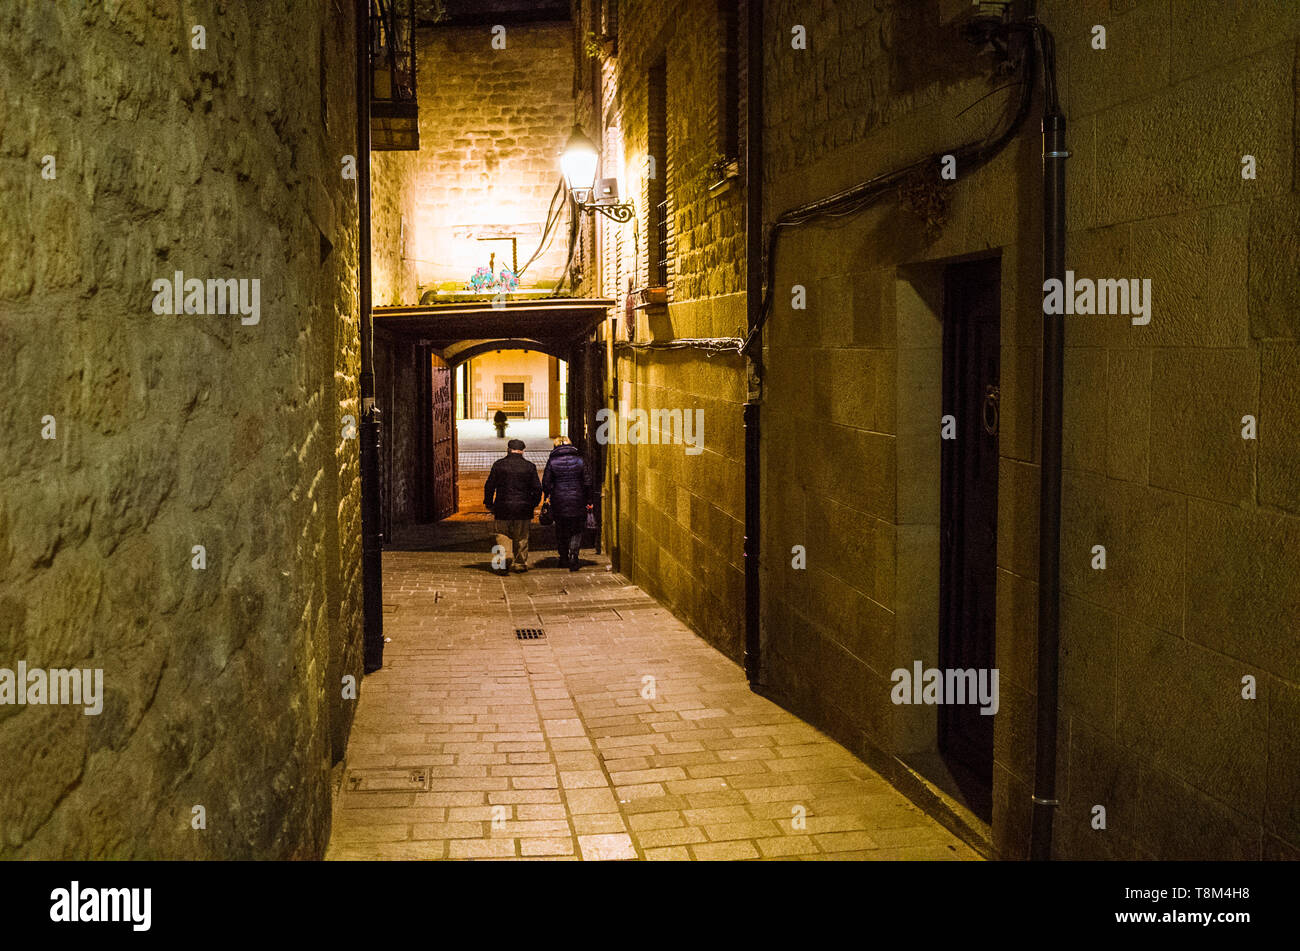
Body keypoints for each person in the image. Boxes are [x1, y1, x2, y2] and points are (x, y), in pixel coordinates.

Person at [483, 438, 541, 574]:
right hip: (523, 507)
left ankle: (505, 557)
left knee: (502, 534)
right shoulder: (530, 466)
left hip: (503, 506)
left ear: (508, 450)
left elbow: (490, 486)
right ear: (522, 451)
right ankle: (520, 563)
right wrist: (533, 503)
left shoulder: (499, 465)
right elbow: (537, 488)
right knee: (521, 536)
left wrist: (489, 503)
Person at [541, 436, 592, 572]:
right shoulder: (580, 460)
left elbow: (546, 483)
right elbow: (587, 482)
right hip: (577, 500)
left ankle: (563, 557)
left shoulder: (552, 461)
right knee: (577, 529)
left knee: (561, 529)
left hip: (559, 501)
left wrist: (549, 494)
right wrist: (587, 499)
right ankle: (574, 555)